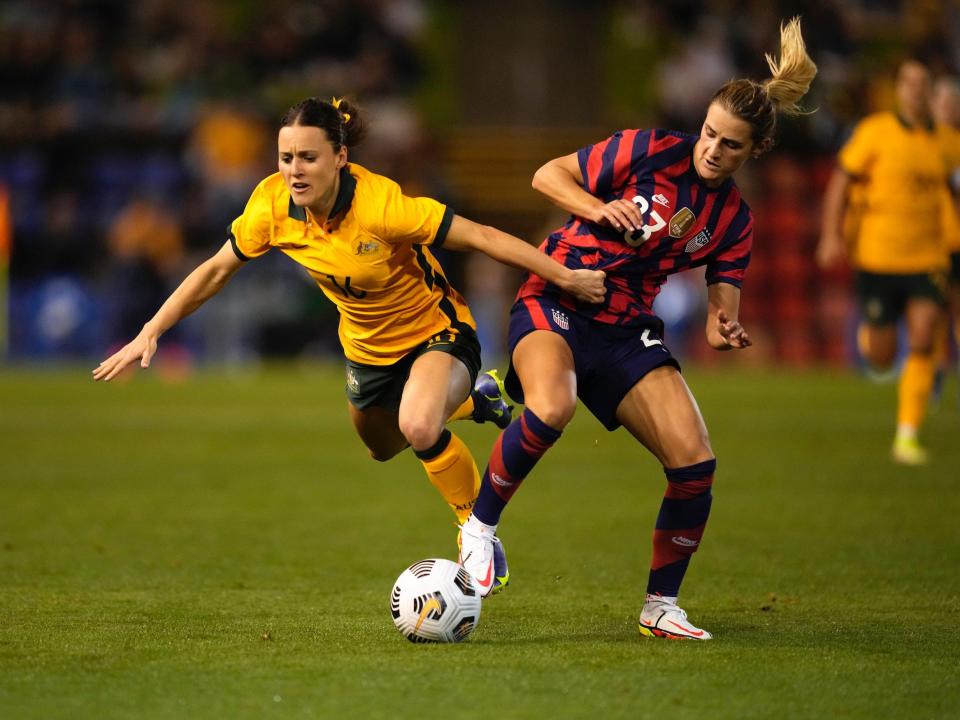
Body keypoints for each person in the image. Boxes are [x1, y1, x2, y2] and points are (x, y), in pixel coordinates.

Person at [93, 97, 607, 577]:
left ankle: (475, 531)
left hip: (438, 333)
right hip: (367, 353)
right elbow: (214, 270)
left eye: (308, 157)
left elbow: (483, 237)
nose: (295, 169)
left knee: (420, 427)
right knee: (384, 447)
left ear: (340, 157)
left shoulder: (384, 206)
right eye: (286, 157)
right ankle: (476, 400)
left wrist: (565, 276)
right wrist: (150, 331)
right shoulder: (272, 207)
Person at [456, 18, 817, 640]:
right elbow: (548, 175)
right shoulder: (649, 149)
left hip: (627, 329)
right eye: (708, 133)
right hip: (559, 293)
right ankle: (478, 529)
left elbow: (716, 314)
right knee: (552, 408)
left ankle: (660, 608)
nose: (711, 150)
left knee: (695, 462)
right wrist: (599, 207)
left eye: (730, 145)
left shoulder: (734, 222)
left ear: (754, 151)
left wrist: (725, 324)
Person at [817, 59, 951, 465]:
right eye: (908, 83)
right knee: (880, 356)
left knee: (926, 336)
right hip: (877, 258)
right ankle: (870, 341)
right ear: (898, 89)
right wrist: (830, 234)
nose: (916, 91)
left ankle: (907, 435)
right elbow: (841, 180)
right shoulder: (875, 132)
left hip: (928, 258)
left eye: (923, 83)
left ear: (930, 90)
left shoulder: (948, 143)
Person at [932, 76, 960, 390]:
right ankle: (936, 369)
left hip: (956, 240)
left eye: (953, 105)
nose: (948, 110)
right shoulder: (926, 143)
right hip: (934, 241)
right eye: (943, 104)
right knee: (933, 309)